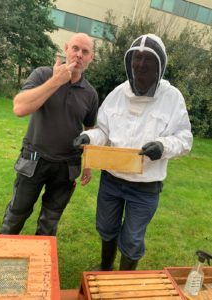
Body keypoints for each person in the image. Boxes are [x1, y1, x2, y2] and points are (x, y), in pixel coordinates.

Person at [73, 33, 193, 270]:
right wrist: (88, 137)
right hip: (112, 180)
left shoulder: (172, 98)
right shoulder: (118, 94)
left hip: (145, 187)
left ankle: (124, 280)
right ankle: (106, 267)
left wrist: (162, 146)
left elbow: (184, 138)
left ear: (159, 67)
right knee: (106, 228)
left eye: (147, 64)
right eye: (136, 63)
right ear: (130, 65)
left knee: (132, 239)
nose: (140, 69)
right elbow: (104, 132)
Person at [0, 33, 98, 236]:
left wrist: (88, 163)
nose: (79, 55)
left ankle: (42, 266)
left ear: (91, 57)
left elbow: (89, 130)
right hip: (34, 160)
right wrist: (56, 81)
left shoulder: (90, 94)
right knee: (16, 214)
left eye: (85, 51)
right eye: (75, 48)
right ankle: (0, 264)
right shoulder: (42, 75)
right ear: (66, 48)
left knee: (49, 222)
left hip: (66, 167)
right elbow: (19, 108)